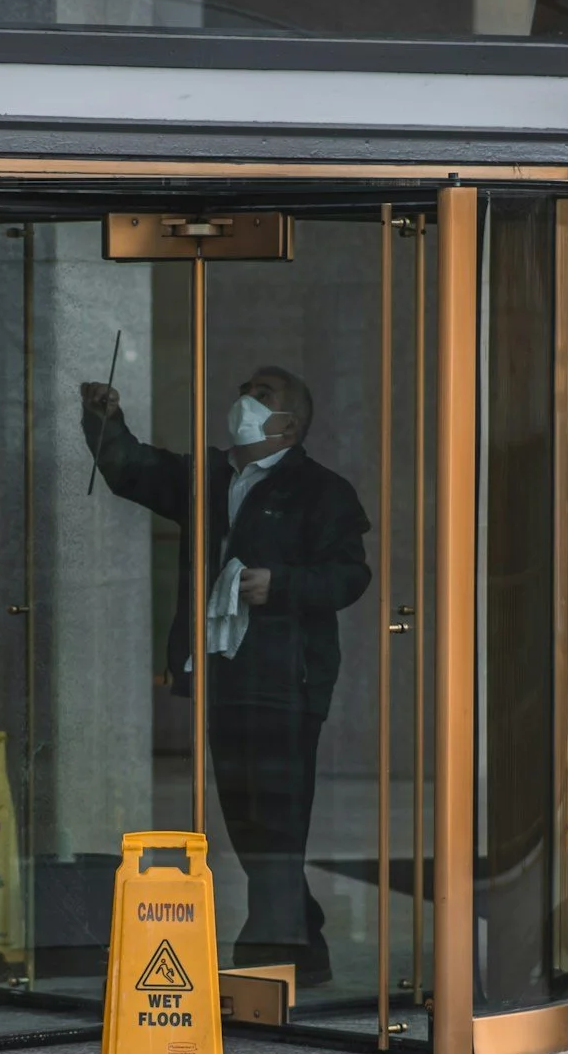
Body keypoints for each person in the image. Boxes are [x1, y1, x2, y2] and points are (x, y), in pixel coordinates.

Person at [81, 366, 369, 987]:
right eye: (244, 390)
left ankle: (269, 955)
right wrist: (105, 418)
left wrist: (281, 585)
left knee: (279, 817)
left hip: (286, 679)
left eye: (262, 396)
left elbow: (350, 575)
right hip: (224, 674)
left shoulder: (322, 491)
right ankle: (303, 944)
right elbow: (132, 468)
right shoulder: (210, 476)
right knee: (247, 816)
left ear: (288, 425)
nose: (245, 400)